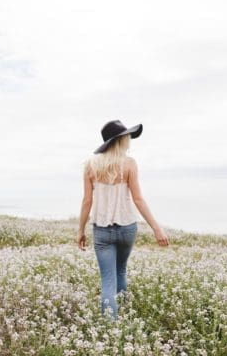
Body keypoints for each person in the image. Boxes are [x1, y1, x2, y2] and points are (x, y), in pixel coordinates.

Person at [77, 119, 169, 320]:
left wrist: (81, 231)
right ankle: (126, 313)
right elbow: (138, 199)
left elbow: (87, 201)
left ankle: (110, 329)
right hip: (127, 228)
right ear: (120, 141)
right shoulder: (129, 164)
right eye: (127, 137)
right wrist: (156, 229)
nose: (129, 140)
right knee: (121, 272)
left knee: (108, 280)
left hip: (101, 230)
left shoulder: (90, 165)